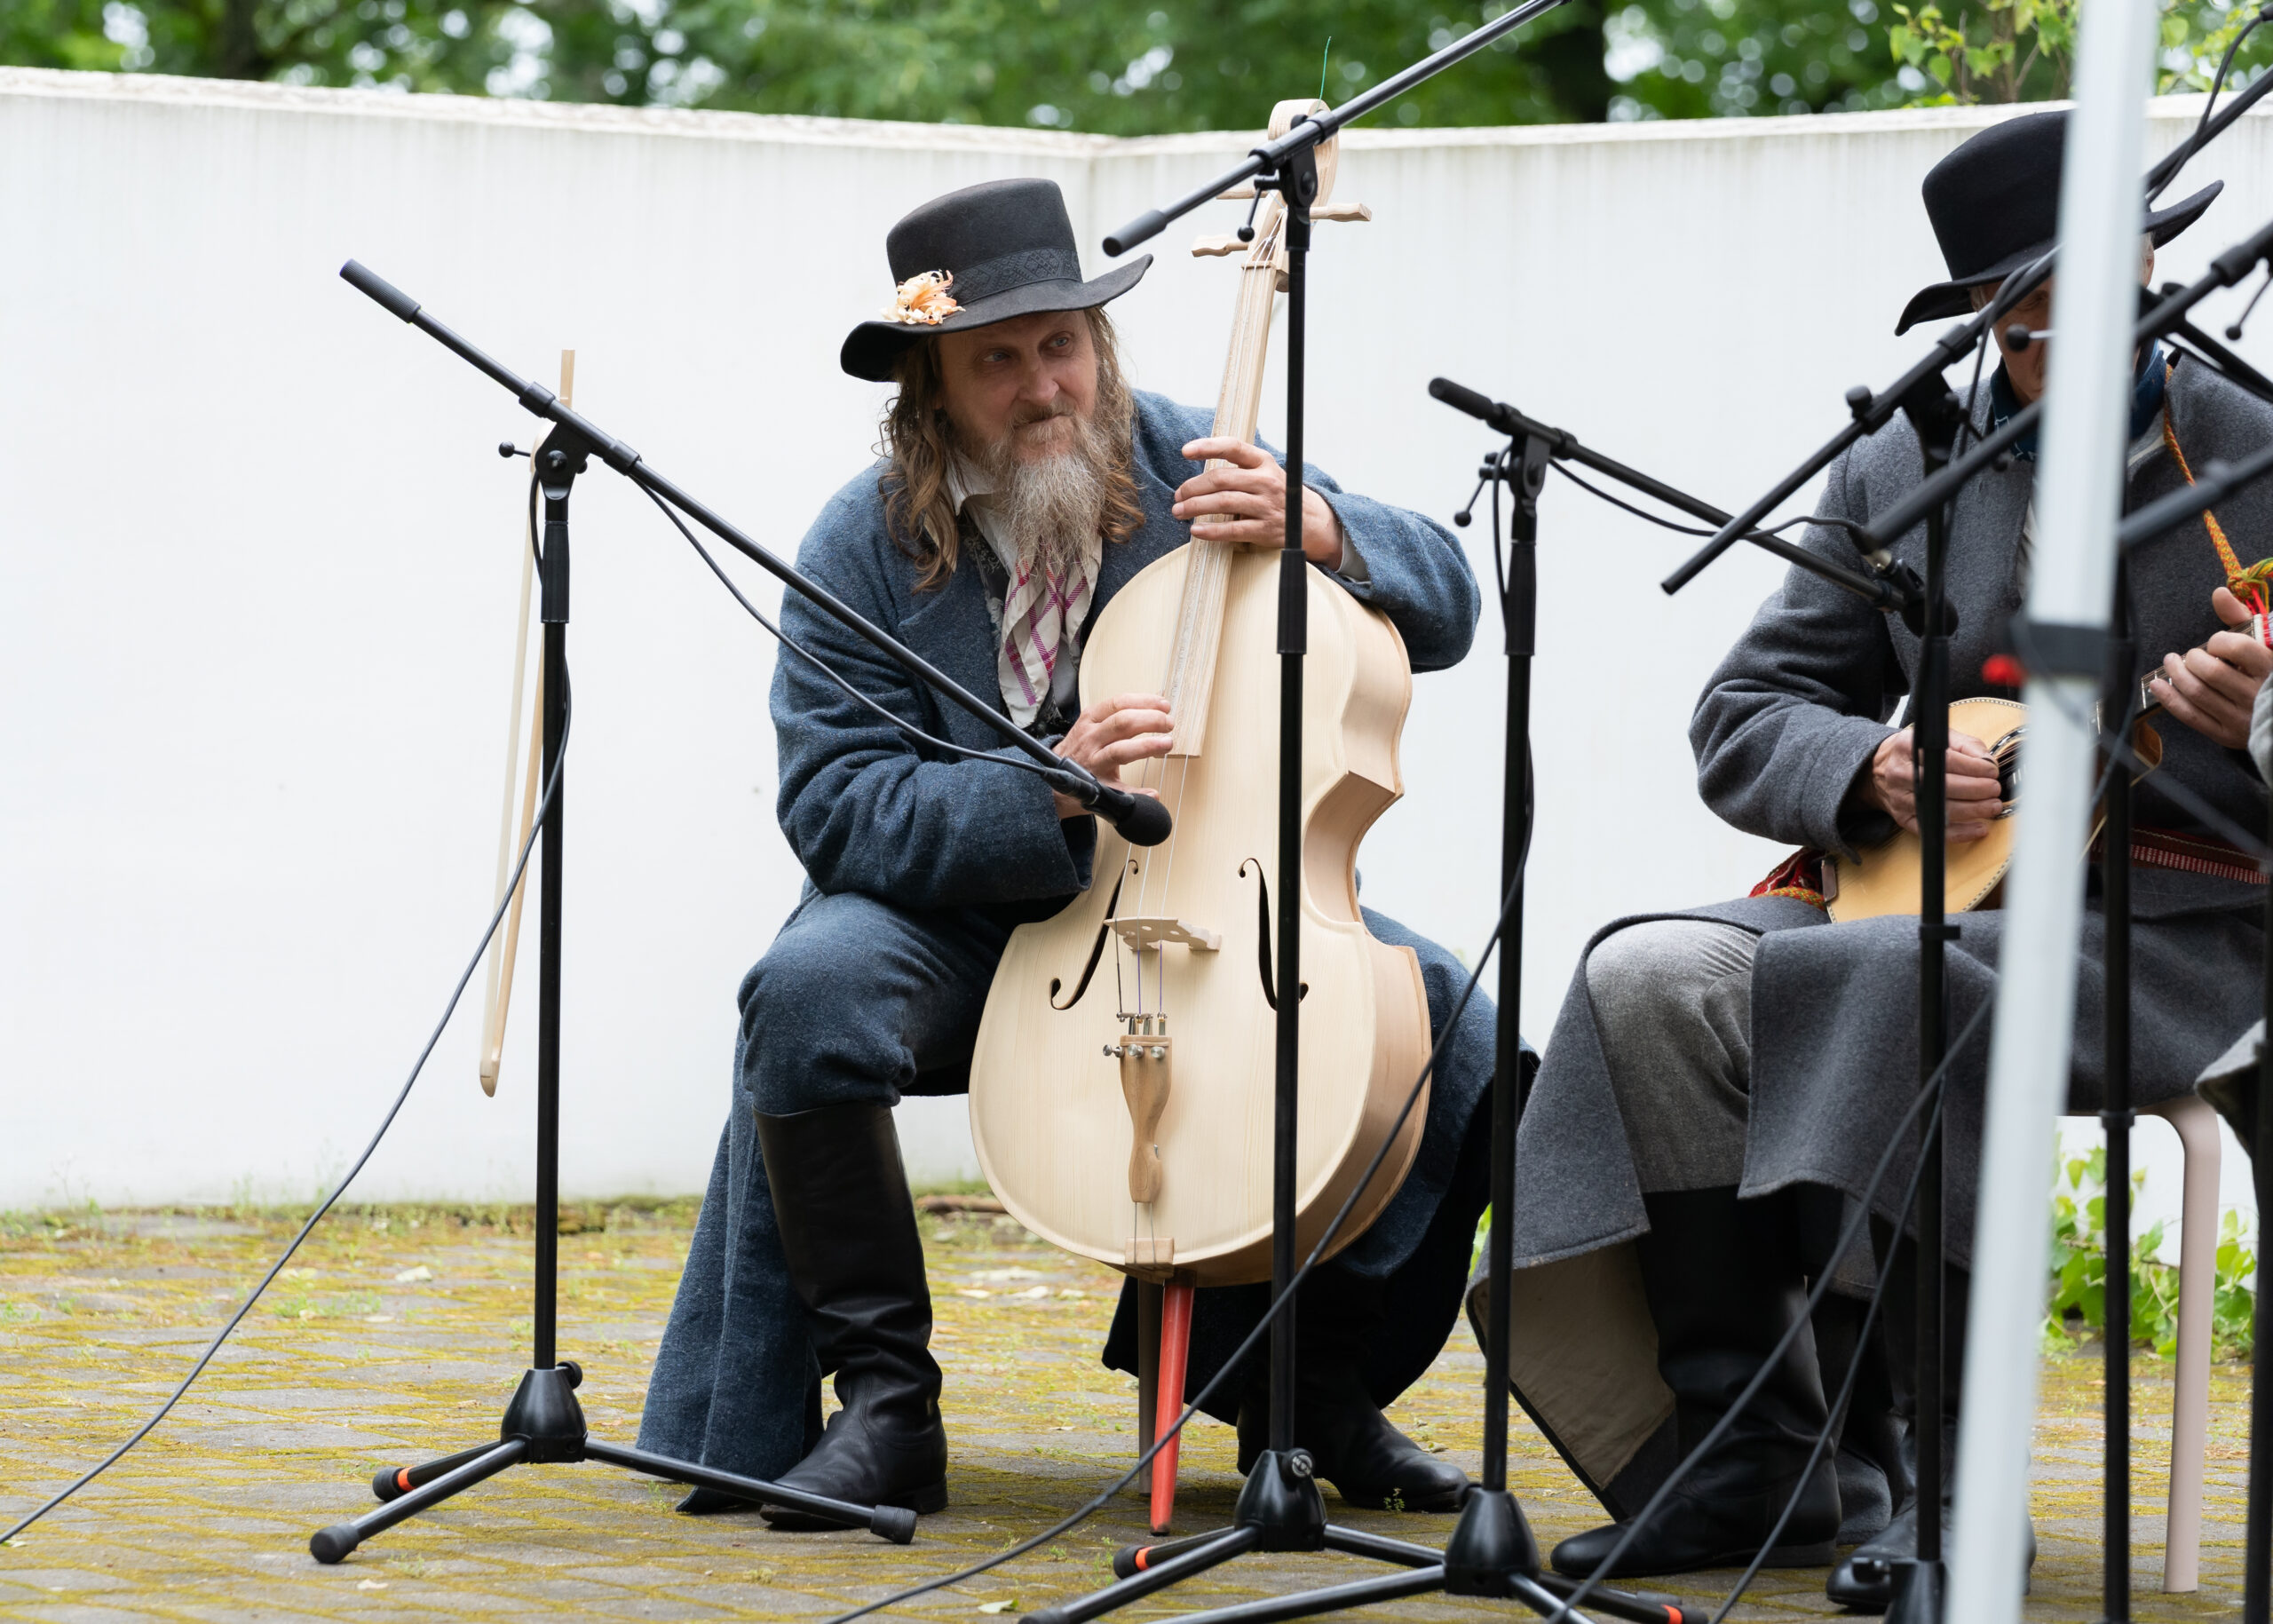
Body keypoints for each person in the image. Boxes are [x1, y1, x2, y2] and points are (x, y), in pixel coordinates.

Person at [1488, 109, 2269, 1611]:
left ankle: (1952, 1480)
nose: (2065, 336)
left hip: (2181, 924)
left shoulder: (2257, 447)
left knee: (1889, 984)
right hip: (1928, 896)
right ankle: (1752, 1449)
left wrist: (2263, 715)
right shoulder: (1906, 457)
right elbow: (1742, 712)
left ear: (2154, 264)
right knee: (1651, 975)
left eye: (2102, 285)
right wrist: (1870, 766)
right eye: (2026, 315)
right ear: (1981, 313)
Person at [636, 177, 1499, 1524]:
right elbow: (836, 805)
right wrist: (1044, 789)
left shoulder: (1195, 457)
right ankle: (887, 1406)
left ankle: (1308, 1391)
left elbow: (1445, 603)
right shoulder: (856, 543)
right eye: (997, 360)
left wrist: (1324, 530)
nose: (1045, 386)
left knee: (1444, 1019)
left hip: (1205, 901)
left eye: (1063, 344)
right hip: (958, 918)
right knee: (807, 991)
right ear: (928, 387)